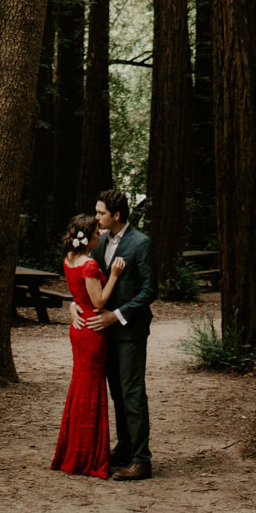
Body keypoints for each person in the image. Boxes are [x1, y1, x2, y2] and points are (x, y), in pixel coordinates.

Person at [79, 187, 157, 482]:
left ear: (117, 215)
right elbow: (91, 280)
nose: (96, 217)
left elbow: (150, 290)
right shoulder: (98, 242)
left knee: (132, 392)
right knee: (116, 394)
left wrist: (117, 315)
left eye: (100, 213)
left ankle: (141, 460)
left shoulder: (141, 244)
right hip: (103, 332)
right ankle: (124, 449)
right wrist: (77, 304)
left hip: (130, 331)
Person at [51, 213, 126, 479]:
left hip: (79, 327)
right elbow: (98, 302)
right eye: (97, 232)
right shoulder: (90, 266)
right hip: (93, 330)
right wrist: (115, 275)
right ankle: (87, 456)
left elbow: (78, 295)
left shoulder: (70, 259)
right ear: (87, 237)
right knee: (91, 391)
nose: (100, 234)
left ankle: (75, 451)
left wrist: (73, 305)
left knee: (80, 388)